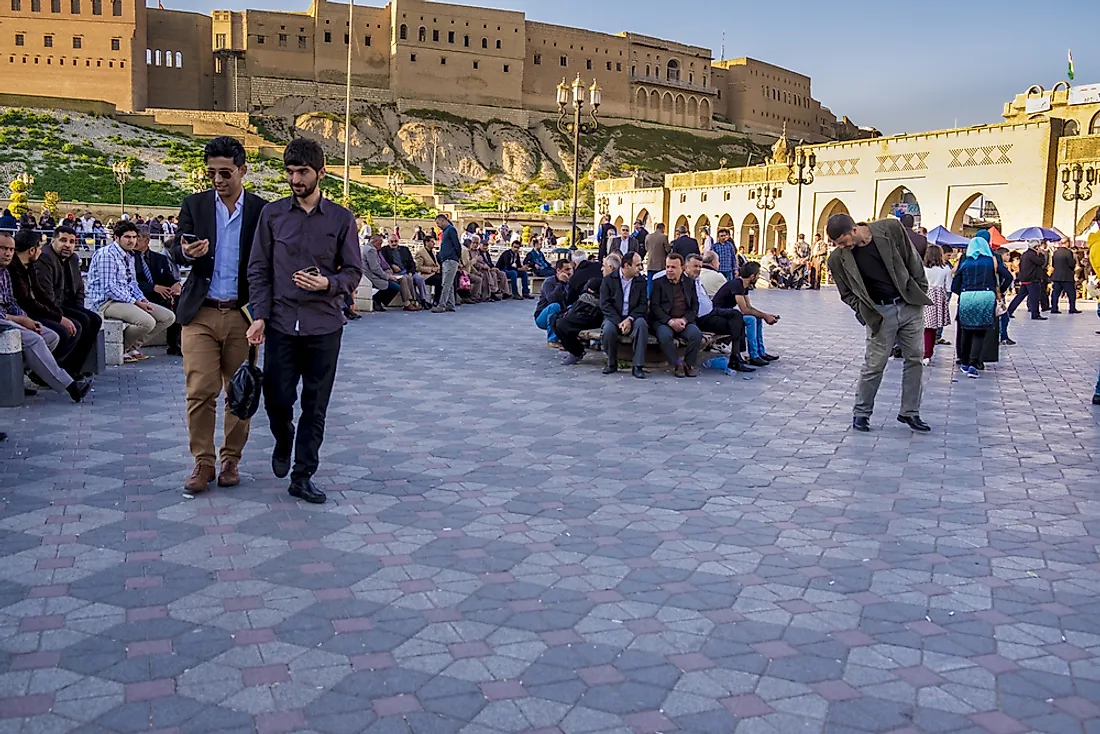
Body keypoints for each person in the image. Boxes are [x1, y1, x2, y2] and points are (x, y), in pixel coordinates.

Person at [246, 138, 363, 505]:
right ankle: (283, 438)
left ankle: (303, 474)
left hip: (324, 325)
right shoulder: (273, 215)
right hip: (281, 323)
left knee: (315, 405)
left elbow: (355, 271)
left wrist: (330, 283)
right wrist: (260, 316)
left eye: (303, 172)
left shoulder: (341, 219)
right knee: (277, 398)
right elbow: (258, 268)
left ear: (320, 173)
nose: (296, 179)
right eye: (291, 172)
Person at [170, 136, 269, 493]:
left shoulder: (261, 211)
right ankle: (203, 462)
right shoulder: (194, 205)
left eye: (225, 172)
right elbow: (177, 249)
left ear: (243, 170)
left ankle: (231, 459)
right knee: (200, 390)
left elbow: (267, 266)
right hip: (200, 312)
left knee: (239, 391)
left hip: (242, 315)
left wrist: (263, 315)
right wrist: (187, 251)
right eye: (211, 172)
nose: (217, 180)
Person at [826, 214, 932, 433]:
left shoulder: (890, 228)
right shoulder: (838, 259)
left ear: (853, 230)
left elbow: (912, 259)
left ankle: (910, 412)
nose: (841, 247)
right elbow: (846, 293)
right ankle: (861, 413)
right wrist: (864, 312)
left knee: (914, 358)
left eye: (843, 242)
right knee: (874, 364)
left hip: (909, 305)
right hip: (879, 313)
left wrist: (920, 289)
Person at [0, 234, 93, 402]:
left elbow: (12, 301)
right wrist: (22, 320)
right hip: (4, 320)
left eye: (11, 249)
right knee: (34, 339)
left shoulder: (6, 272)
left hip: (12, 317)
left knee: (51, 336)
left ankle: (15, 380)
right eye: (3, 249)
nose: (8, 253)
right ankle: (70, 386)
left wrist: (26, 318)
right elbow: (25, 301)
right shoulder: (18, 268)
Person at [86, 221, 176, 363]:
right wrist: (136, 302)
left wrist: (143, 300)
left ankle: (132, 346)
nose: (132, 241)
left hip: (125, 299)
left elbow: (132, 283)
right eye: (127, 237)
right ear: (116, 237)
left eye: (134, 237)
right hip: (106, 302)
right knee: (147, 322)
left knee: (168, 317)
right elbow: (109, 288)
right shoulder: (107, 255)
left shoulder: (130, 256)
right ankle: (122, 348)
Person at [8, 229, 81, 372]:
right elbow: (28, 302)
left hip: (33, 311)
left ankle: (58, 370)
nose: (41, 251)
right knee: (61, 332)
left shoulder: (28, 266)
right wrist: (59, 318)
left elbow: (41, 294)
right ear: (32, 250)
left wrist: (59, 315)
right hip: (23, 314)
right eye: (39, 248)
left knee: (79, 324)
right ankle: (42, 372)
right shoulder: (14, 270)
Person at [34, 225, 101, 376]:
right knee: (77, 324)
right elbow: (46, 296)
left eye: (71, 242)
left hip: (65, 303)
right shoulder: (45, 258)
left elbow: (79, 288)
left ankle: (73, 368)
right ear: (53, 241)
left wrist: (79, 308)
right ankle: (53, 370)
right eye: (63, 240)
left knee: (93, 319)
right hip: (49, 306)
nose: (67, 245)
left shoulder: (73, 259)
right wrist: (61, 318)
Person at [951, 237, 1013, 378]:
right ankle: (974, 364)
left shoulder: (965, 262)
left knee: (966, 330)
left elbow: (954, 285)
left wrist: (964, 291)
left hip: (967, 296)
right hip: (986, 296)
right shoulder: (992, 261)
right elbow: (1008, 277)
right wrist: (999, 291)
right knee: (980, 331)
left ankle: (965, 362)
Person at [685, 254, 753, 373]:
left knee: (736, 315)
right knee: (737, 323)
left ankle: (736, 355)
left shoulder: (696, 279)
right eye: (695, 266)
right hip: (702, 318)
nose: (698, 269)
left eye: (700, 266)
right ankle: (736, 357)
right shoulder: (685, 282)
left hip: (712, 310)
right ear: (686, 266)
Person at [713, 262, 777, 367]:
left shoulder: (744, 285)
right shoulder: (736, 285)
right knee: (751, 320)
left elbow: (749, 307)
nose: (758, 277)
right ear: (752, 276)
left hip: (729, 314)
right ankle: (753, 355)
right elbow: (744, 310)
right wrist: (765, 316)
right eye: (758, 274)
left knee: (757, 318)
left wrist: (765, 315)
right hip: (720, 315)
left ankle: (760, 352)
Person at [596, 251, 647, 378]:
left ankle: (638, 366)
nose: (641, 268)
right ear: (626, 266)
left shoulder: (641, 281)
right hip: (614, 317)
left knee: (642, 325)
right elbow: (605, 304)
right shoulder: (609, 280)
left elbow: (643, 304)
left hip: (633, 317)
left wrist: (629, 319)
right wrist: (619, 321)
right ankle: (612, 363)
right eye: (638, 265)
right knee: (608, 330)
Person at [650, 253, 702, 378]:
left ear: (682, 268)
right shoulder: (658, 283)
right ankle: (677, 364)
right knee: (664, 335)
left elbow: (694, 306)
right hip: (664, 321)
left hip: (684, 321)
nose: (669, 270)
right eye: (667, 267)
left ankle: (689, 365)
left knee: (696, 334)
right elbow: (654, 307)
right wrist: (670, 321)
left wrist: (684, 320)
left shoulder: (689, 283)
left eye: (673, 267)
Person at [133, 225, 182, 356]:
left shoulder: (160, 259)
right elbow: (131, 283)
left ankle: (175, 344)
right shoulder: (129, 259)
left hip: (159, 296)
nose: (134, 241)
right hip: (139, 296)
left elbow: (169, 279)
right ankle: (133, 344)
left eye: (137, 238)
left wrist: (175, 285)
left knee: (179, 302)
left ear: (147, 240)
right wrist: (153, 287)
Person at [558, 277, 609, 367]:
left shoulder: (610, 282)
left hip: (595, 314)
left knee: (563, 324)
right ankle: (574, 349)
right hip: (586, 311)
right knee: (557, 319)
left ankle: (576, 352)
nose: (602, 268)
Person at [383, 232, 431, 310]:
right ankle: (412, 301)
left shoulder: (404, 249)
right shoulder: (385, 250)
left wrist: (411, 272)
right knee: (407, 279)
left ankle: (423, 299)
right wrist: (392, 265)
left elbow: (411, 262)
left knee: (419, 279)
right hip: (395, 273)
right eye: (391, 241)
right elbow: (384, 262)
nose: (394, 243)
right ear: (388, 242)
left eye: (395, 241)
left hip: (407, 270)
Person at [921, 245, 952, 366]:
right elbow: (948, 286)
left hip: (924, 295)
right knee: (932, 327)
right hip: (938, 297)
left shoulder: (923, 269)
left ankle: (921, 350)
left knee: (922, 325)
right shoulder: (946, 269)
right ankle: (928, 352)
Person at [362, 233, 406, 311]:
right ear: (374, 242)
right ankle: (377, 300)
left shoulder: (365, 248)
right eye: (380, 243)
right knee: (395, 287)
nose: (381, 245)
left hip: (368, 275)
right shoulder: (371, 250)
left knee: (395, 283)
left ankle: (377, 301)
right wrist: (387, 276)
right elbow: (375, 268)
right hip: (371, 276)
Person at [534, 258, 573, 344]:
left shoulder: (571, 282)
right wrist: (561, 283)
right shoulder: (549, 282)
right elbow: (552, 299)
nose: (569, 272)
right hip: (543, 316)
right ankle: (552, 340)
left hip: (561, 314)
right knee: (555, 306)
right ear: (558, 271)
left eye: (570, 269)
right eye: (566, 270)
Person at [1006, 239, 1045, 321]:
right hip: (1032, 279)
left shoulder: (1024, 254)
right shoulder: (1033, 254)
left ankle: (1009, 311)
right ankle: (1035, 314)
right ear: (1036, 247)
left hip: (1025, 279)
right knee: (1035, 297)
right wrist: (1041, 254)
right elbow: (1041, 262)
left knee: (1019, 296)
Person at [433, 213, 462, 313]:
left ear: (443, 220)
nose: (438, 225)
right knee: (449, 283)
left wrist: (457, 257)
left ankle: (442, 304)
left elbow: (457, 244)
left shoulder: (451, 230)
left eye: (438, 223)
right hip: (446, 259)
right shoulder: (446, 231)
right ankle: (451, 304)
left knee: (445, 284)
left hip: (450, 259)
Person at [1050, 238, 1081, 314]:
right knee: (1071, 293)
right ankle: (1072, 308)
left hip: (1057, 276)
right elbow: (1071, 264)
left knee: (1055, 294)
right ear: (1067, 243)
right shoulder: (1069, 252)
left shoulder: (1055, 252)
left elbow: (1053, 264)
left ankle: (1054, 308)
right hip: (1067, 277)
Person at [414, 236, 443, 305]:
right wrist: (432, 269)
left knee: (445, 277)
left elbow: (436, 263)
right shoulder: (420, 252)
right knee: (439, 280)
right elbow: (418, 267)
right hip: (425, 275)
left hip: (434, 273)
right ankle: (436, 300)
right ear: (426, 243)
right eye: (432, 242)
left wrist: (438, 268)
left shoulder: (432, 252)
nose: (434, 243)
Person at [644, 223, 671, 291]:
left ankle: (648, 297)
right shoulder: (664, 237)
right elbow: (668, 250)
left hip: (650, 263)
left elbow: (646, 248)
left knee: (650, 282)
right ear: (663, 228)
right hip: (660, 264)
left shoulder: (648, 236)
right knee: (659, 282)